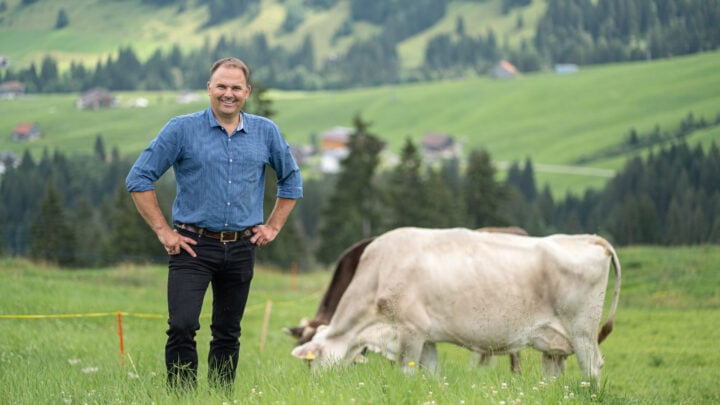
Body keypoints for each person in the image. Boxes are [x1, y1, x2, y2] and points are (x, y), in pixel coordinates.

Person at [125, 57, 303, 392]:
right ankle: (182, 397)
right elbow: (138, 178)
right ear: (209, 88)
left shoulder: (265, 132)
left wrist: (273, 227)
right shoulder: (181, 129)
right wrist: (163, 231)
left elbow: (292, 181)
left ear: (247, 92)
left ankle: (221, 397)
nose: (228, 93)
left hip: (242, 247)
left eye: (236, 87)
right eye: (221, 86)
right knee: (182, 325)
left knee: (228, 332)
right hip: (192, 245)